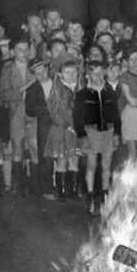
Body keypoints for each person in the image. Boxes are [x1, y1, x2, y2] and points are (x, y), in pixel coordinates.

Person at [74, 60, 121, 215]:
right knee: (91, 165)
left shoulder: (110, 93)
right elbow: (77, 118)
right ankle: (90, 196)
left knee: (106, 165)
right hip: (91, 132)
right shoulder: (82, 95)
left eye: (101, 73)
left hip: (108, 130)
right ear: (88, 75)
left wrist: (117, 133)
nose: (98, 76)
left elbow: (116, 116)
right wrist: (82, 135)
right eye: (94, 73)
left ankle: (105, 195)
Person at [0, 37, 34, 195]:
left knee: (33, 148)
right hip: (16, 113)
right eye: (20, 49)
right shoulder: (7, 69)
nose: (24, 53)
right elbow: (4, 93)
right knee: (18, 148)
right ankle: (17, 184)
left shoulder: (34, 67)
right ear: (12, 52)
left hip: (33, 113)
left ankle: (33, 183)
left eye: (27, 49)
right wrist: (22, 91)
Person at [45, 57, 80, 199]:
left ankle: (73, 189)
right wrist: (68, 126)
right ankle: (62, 191)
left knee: (74, 159)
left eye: (74, 72)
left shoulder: (80, 88)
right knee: (62, 159)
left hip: (76, 128)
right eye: (67, 72)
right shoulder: (57, 90)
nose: (71, 75)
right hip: (62, 129)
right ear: (60, 75)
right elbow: (53, 113)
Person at [25, 58, 55, 200]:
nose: (42, 75)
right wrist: (45, 108)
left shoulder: (57, 83)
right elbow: (29, 109)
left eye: (43, 71)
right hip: (44, 123)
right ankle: (47, 188)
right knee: (46, 156)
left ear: (48, 69)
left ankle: (64, 186)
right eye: (37, 74)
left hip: (61, 122)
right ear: (33, 75)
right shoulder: (33, 88)